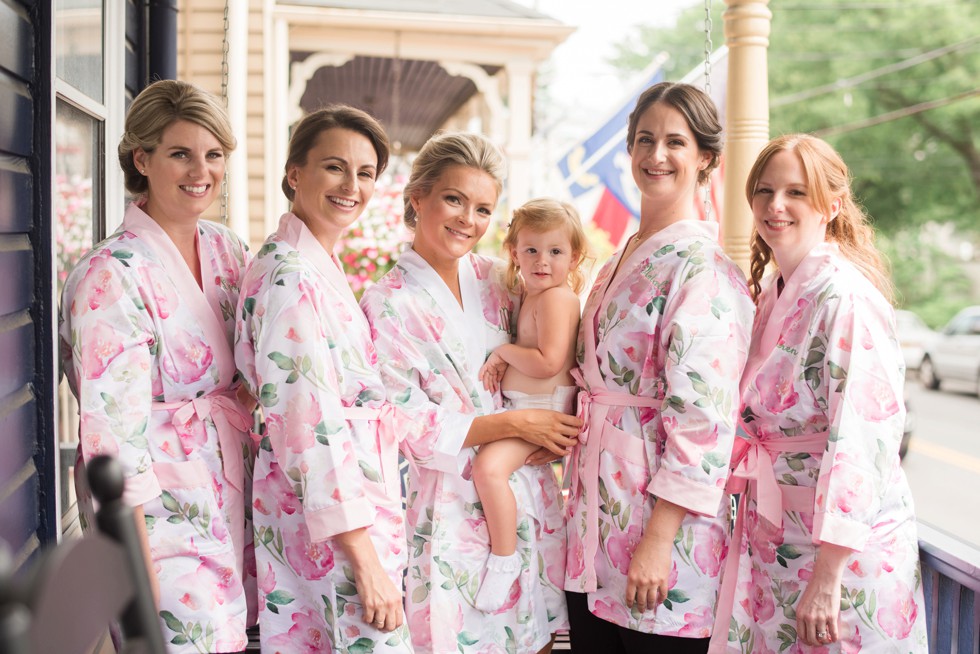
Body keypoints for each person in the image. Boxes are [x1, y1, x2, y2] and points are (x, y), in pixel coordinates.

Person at [360, 132, 581, 654]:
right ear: (418, 199)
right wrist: (510, 426)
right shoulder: (386, 303)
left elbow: (553, 353)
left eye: (483, 208)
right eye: (454, 199)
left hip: (525, 480)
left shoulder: (500, 279)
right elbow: (401, 419)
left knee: (536, 637)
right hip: (451, 499)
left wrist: (557, 423)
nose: (467, 219)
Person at [708, 134, 928, 653]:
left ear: (831, 205)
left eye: (796, 192)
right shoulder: (770, 295)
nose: (775, 206)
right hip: (781, 535)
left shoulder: (847, 299)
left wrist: (828, 575)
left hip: (843, 558)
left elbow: (864, 440)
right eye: (763, 191)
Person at [59, 79, 254, 652]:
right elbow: (110, 445)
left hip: (230, 495)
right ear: (141, 159)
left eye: (214, 154)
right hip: (155, 518)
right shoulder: (110, 276)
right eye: (180, 153)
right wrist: (138, 585)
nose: (201, 170)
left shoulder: (228, 251)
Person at [562, 82, 756, 654]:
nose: (656, 155)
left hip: (663, 535)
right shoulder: (621, 255)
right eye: (644, 139)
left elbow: (704, 419)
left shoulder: (704, 269)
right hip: (597, 518)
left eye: (676, 141)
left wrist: (658, 539)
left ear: (706, 160)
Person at [235, 106, 414, 653]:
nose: (351, 186)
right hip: (333, 523)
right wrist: (365, 559)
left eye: (365, 174)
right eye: (335, 167)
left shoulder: (313, 263)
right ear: (295, 173)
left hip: (346, 502)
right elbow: (306, 425)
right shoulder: (291, 277)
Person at [473, 198, 591, 612]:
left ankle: (504, 560)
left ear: (574, 257)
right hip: (527, 407)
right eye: (532, 250)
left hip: (544, 409)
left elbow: (548, 361)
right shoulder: (530, 295)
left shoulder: (558, 298)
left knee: (488, 469)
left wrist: (503, 352)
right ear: (514, 252)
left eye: (556, 251)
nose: (543, 261)